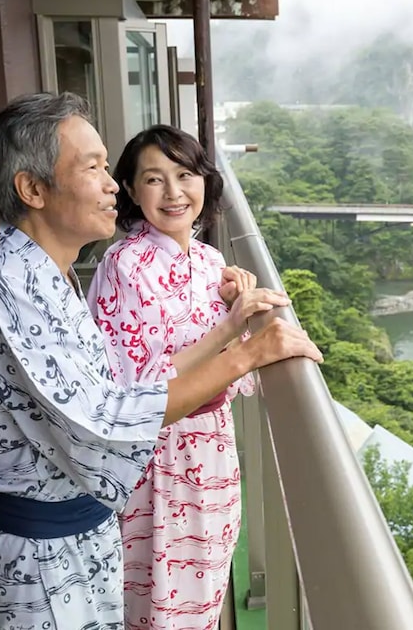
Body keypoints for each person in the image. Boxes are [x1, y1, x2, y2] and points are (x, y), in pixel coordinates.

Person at [0, 92, 322, 630]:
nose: (110, 184)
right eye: (93, 167)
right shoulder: (15, 289)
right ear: (33, 188)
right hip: (45, 558)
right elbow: (111, 417)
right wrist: (247, 352)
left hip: (78, 536)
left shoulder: (43, 276)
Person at [87, 125, 278, 630]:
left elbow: (228, 371)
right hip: (157, 457)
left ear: (204, 183)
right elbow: (133, 385)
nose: (173, 193)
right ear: (130, 190)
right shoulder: (124, 264)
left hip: (211, 446)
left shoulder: (210, 259)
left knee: (207, 584)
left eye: (185, 175)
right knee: (161, 599)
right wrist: (230, 326)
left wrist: (236, 302)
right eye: (154, 179)